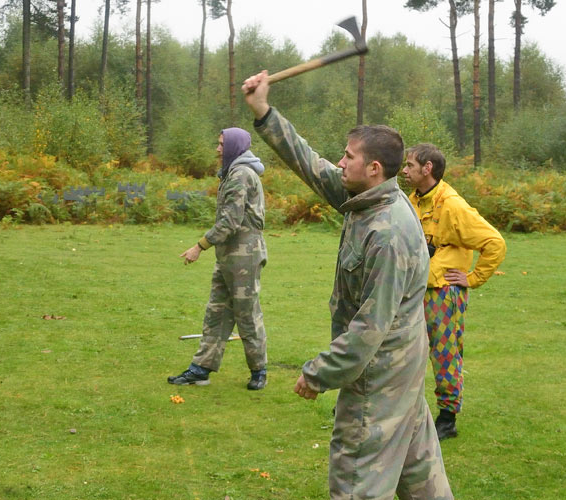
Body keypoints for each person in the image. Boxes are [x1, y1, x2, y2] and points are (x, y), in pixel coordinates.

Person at [242, 70, 453, 500]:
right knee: (422, 483)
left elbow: (371, 326)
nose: (340, 162)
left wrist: (320, 372)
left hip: (379, 380)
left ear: (373, 168)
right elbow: (309, 163)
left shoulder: (388, 231)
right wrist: (264, 113)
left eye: (348, 156)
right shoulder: (366, 200)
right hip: (400, 375)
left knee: (357, 482)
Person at [402, 144, 506, 441]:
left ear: (428, 168)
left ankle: (447, 417)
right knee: (407, 351)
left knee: (445, 353)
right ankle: (407, 410)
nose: (405, 171)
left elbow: (494, 243)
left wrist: (472, 278)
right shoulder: (413, 201)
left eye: (410, 165)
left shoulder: (453, 205)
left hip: (443, 293)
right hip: (413, 290)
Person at [167, 127, 269, 391]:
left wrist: (200, 246)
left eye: (222, 144)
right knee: (216, 312)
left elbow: (231, 221)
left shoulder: (241, 174)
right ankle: (201, 369)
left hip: (244, 258)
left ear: (234, 146)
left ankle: (259, 370)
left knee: (246, 314)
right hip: (228, 257)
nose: (217, 149)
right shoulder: (232, 172)